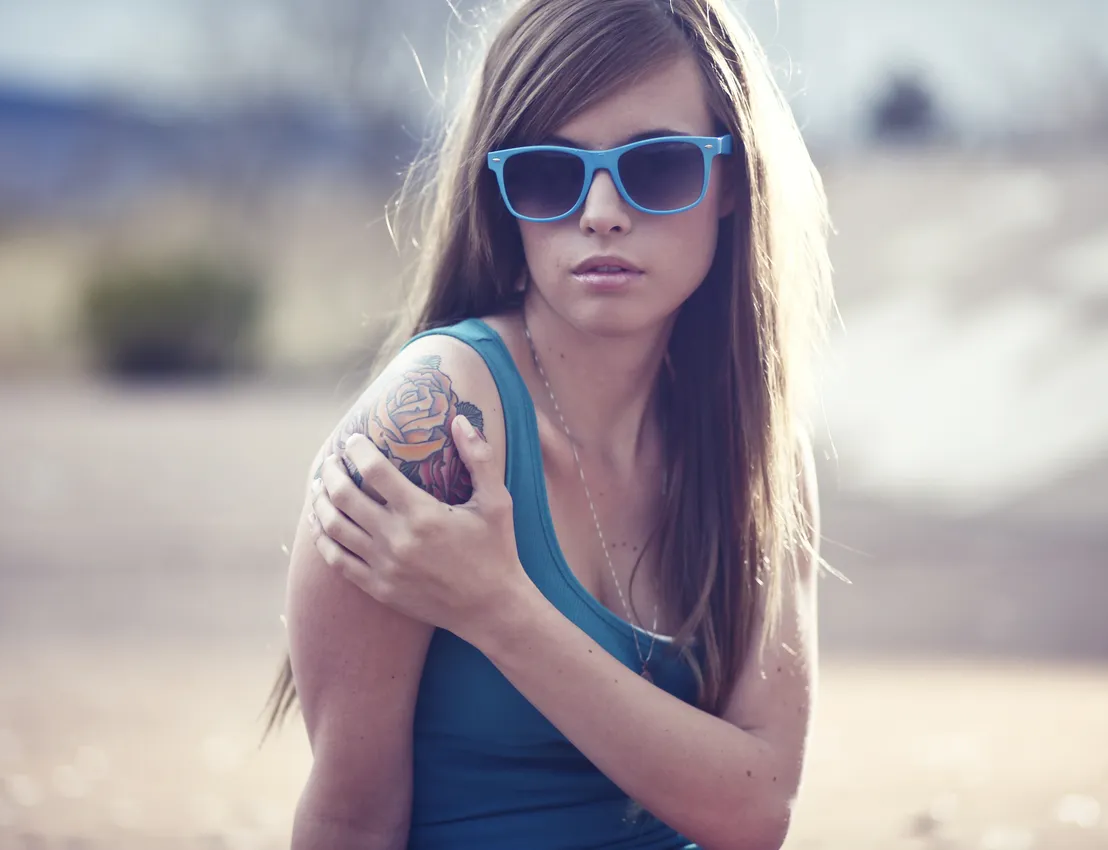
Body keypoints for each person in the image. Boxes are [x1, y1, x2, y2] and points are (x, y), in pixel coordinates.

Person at [263, 0, 835, 847]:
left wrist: (497, 609)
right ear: (503, 198)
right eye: (548, 173)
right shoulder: (428, 433)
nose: (601, 210)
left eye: (658, 166)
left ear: (730, 182)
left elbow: (756, 810)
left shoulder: (756, 447)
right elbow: (351, 822)